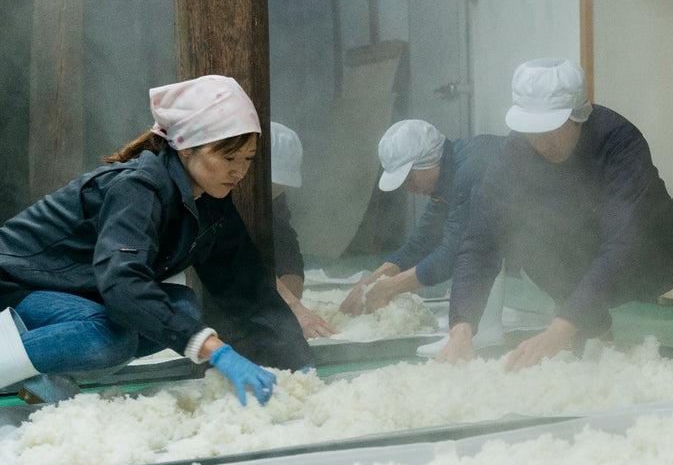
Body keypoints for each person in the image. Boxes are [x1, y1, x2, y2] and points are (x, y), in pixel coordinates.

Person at [0, 74, 312, 406]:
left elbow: (244, 284)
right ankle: (14, 370)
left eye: (247, 159)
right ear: (187, 147)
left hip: (75, 292)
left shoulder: (211, 202)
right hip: (15, 287)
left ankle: (42, 374)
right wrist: (215, 350)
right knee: (113, 339)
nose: (239, 171)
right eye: (228, 158)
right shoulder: (136, 188)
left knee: (183, 307)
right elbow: (122, 283)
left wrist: (296, 364)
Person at [438, 57, 673, 371]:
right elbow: (480, 243)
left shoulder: (619, 140)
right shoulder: (514, 154)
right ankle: (595, 331)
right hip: (578, 273)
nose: (540, 141)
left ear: (579, 115)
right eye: (531, 130)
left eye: (551, 128)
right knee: (526, 230)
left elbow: (625, 240)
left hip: (647, 261)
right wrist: (461, 330)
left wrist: (561, 327)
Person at [339, 120, 506, 341]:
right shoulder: (446, 179)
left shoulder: (470, 170)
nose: (409, 188)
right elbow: (421, 243)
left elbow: (454, 253)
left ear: (429, 161)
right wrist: (370, 283)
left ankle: (484, 330)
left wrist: (390, 288)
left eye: (409, 178)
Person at [270, 121, 338, 339]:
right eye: (274, 182)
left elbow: (284, 240)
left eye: (281, 183)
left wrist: (293, 295)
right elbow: (237, 254)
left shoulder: (274, 194)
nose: (279, 189)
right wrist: (293, 307)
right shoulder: (223, 190)